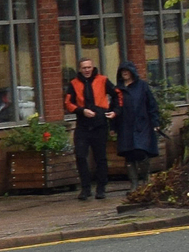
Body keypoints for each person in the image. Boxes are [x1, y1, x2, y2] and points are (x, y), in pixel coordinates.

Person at [62, 59, 120, 201]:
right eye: (84, 68)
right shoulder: (74, 84)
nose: (87, 70)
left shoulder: (103, 80)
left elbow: (117, 94)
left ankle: (101, 188)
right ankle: (85, 188)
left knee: (100, 157)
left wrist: (114, 111)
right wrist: (81, 111)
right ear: (80, 69)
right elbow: (68, 103)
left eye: (89, 67)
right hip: (83, 124)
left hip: (99, 123)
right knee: (81, 156)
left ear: (93, 67)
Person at [113, 62, 163, 192]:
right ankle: (134, 184)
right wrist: (112, 127)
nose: (125, 73)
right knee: (128, 154)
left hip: (142, 124)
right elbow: (114, 108)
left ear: (132, 72)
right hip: (125, 126)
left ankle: (145, 179)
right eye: (122, 71)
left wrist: (155, 122)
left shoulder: (142, 86)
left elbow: (152, 105)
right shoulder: (118, 89)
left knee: (141, 151)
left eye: (127, 71)